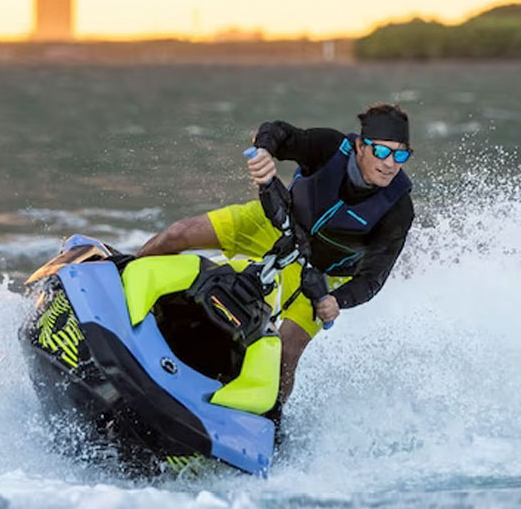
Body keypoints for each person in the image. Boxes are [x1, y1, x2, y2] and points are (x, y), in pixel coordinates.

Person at [136, 103, 415, 427]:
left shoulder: (398, 209)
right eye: (381, 151)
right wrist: (264, 152)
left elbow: (373, 278)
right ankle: (119, 277)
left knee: (286, 352)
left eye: (400, 155)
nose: (390, 163)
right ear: (360, 146)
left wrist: (335, 301)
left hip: (321, 276)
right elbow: (278, 132)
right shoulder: (328, 147)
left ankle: (268, 424)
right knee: (178, 234)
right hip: (275, 226)